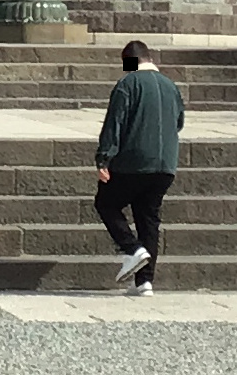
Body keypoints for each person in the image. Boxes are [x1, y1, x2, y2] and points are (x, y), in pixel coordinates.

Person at [93, 40, 184, 296]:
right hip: (165, 164)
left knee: (106, 203)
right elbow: (179, 122)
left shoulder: (128, 84)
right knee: (148, 218)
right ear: (149, 57)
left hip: (133, 162)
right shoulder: (170, 86)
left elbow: (116, 122)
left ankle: (132, 249)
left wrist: (104, 158)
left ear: (129, 62)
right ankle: (145, 282)